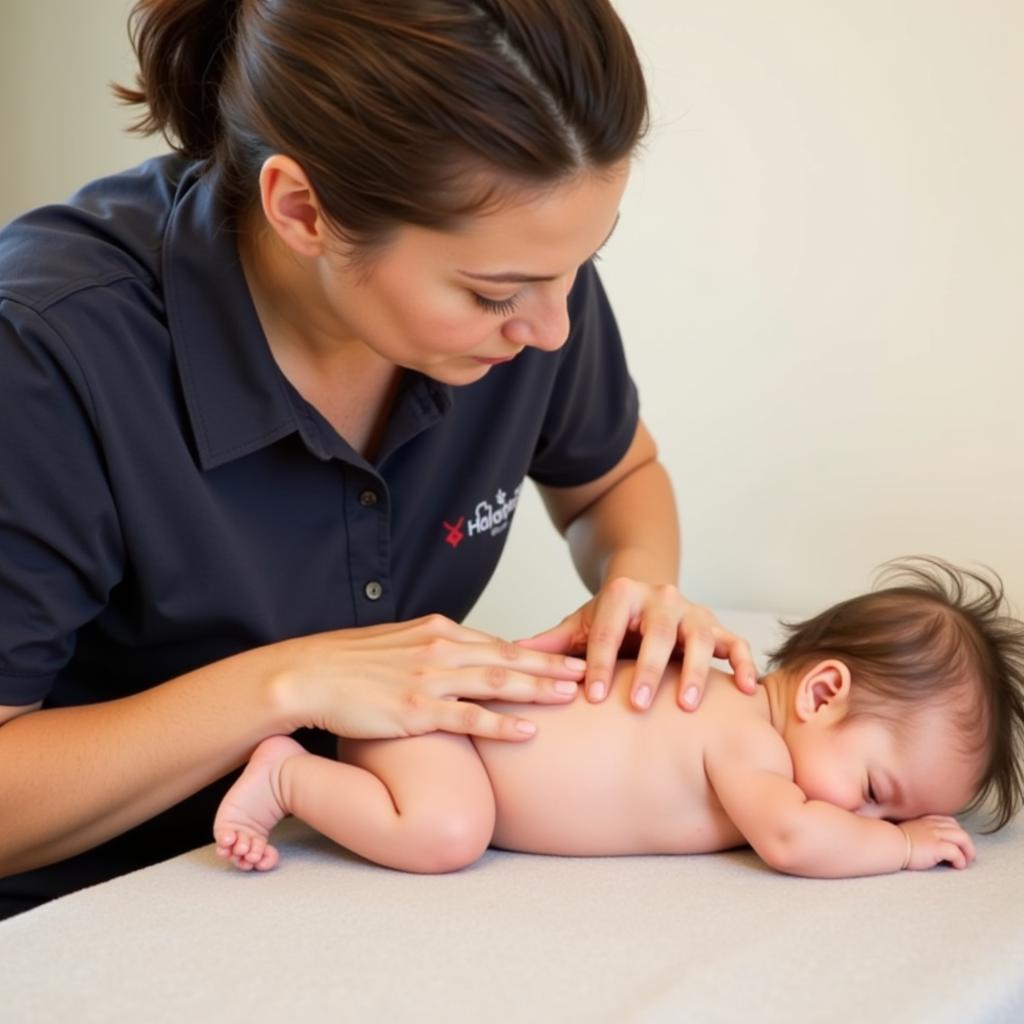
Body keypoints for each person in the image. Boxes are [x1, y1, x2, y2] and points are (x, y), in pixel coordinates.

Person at [0, 1, 758, 918]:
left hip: (343, 873)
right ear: (303, 210)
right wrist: (289, 683)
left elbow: (617, 480)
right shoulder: (44, 356)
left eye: (583, 264)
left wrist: (638, 588)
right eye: (493, 294)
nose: (552, 328)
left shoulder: (531, 291)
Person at [215, 558, 1024, 878]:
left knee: (453, 824)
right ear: (820, 693)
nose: (862, 812)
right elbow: (795, 841)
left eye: (893, 811)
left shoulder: (736, 702)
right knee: (446, 833)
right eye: (877, 788)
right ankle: (288, 772)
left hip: (448, 716)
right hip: (439, 725)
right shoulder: (747, 736)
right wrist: (903, 846)